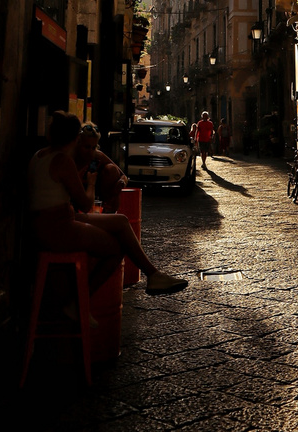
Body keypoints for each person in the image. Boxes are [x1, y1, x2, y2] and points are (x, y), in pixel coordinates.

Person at [28, 111, 187, 305]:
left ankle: (154, 275)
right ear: (75, 138)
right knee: (115, 248)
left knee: (121, 221)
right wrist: (92, 184)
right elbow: (86, 204)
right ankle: (79, 300)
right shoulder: (63, 160)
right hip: (57, 228)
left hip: (50, 222)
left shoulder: (39, 155)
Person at [73, 122, 127, 212]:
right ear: (78, 144)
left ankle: (108, 212)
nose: (90, 151)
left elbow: (123, 176)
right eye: (87, 147)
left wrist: (120, 183)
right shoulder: (71, 157)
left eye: (94, 148)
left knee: (111, 169)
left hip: (96, 198)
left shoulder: (97, 156)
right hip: (76, 201)